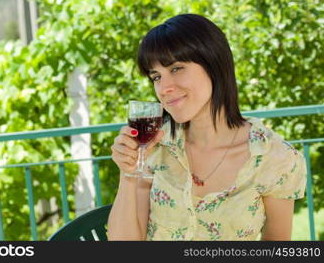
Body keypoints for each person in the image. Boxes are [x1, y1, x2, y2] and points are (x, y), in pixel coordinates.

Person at [107, 14, 307, 241]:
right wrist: (128, 173)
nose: (164, 88)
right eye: (156, 77)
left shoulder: (274, 158)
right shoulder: (155, 147)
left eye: (176, 69)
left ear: (213, 64)